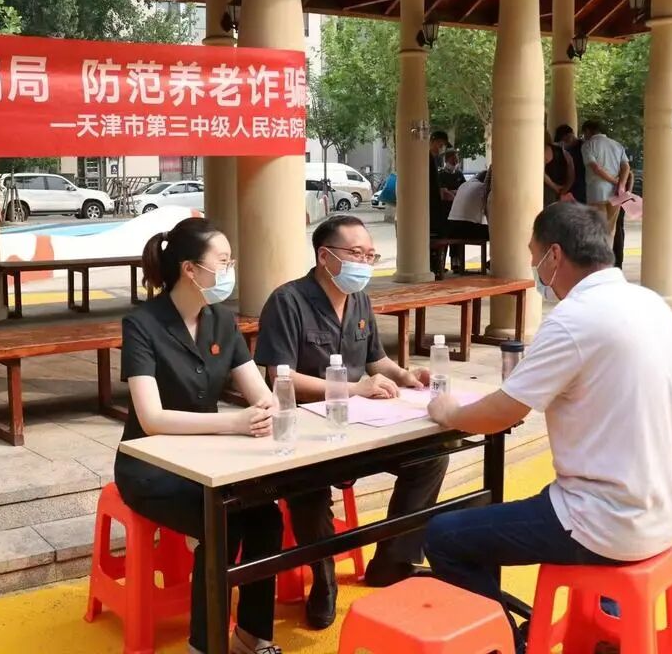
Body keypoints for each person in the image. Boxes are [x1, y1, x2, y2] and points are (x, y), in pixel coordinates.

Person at [423, 203, 672, 653]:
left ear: (554, 255)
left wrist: (449, 412)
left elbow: (503, 412)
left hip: (606, 521)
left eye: (533, 255)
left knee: (445, 536)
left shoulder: (574, 320)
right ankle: (608, 629)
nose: (534, 267)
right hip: (664, 513)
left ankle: (507, 645)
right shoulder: (649, 303)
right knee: (527, 508)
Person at [255, 215, 449, 630]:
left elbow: (375, 358)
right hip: (309, 431)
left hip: (361, 428)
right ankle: (323, 578)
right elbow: (280, 377)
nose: (365, 262)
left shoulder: (359, 298)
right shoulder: (287, 301)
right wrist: (353, 388)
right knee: (306, 486)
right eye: (356, 253)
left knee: (431, 457)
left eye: (370, 255)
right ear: (325, 257)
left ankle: (393, 560)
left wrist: (404, 375)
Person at [114, 217, 284, 654]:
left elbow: (259, 393)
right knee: (224, 521)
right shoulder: (142, 324)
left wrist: (268, 406)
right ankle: (205, 646)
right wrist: (234, 423)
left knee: (266, 516)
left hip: (210, 464)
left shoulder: (222, 321)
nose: (229, 270)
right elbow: (151, 418)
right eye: (223, 262)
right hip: (152, 469)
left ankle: (252, 637)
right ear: (190, 269)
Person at [580, 121, 630, 239]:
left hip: (597, 192)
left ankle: (598, 251)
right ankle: (608, 250)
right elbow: (626, 167)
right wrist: (621, 184)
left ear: (588, 131)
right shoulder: (617, 145)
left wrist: (614, 181)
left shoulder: (588, 145)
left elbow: (596, 168)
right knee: (610, 230)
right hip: (616, 193)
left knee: (597, 229)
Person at [430, 130, 452, 274]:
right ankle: (435, 266)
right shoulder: (427, 158)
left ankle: (437, 265)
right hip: (431, 206)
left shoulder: (433, 159)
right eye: (440, 144)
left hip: (436, 204)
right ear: (433, 141)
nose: (441, 148)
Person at [445, 169, 489, 242]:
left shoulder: (463, 185)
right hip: (468, 228)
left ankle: (456, 250)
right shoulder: (483, 187)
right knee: (497, 231)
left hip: (450, 227)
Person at [554, 124, 587, 205]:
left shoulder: (585, 146)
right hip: (573, 186)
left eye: (566, 139)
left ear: (571, 134)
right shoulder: (566, 150)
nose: (565, 142)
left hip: (583, 184)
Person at [543, 132, 575, 208]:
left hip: (548, 190)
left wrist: (554, 186)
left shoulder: (545, 150)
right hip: (562, 189)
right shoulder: (564, 152)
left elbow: (540, 172)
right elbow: (572, 173)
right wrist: (565, 189)